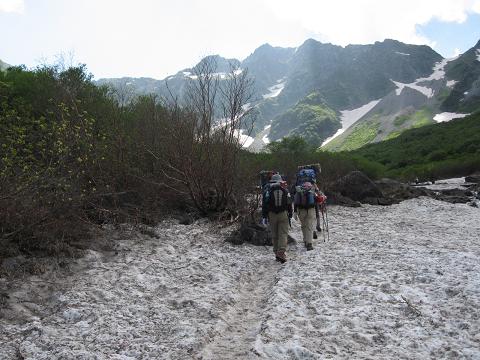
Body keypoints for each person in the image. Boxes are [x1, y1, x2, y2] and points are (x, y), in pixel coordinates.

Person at [262, 173, 292, 263]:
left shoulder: (268, 190)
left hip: (272, 214)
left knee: (274, 234)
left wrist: (264, 216)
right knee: (283, 233)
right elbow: (289, 203)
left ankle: (276, 253)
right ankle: (281, 252)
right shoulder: (285, 190)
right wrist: (290, 214)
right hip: (283, 214)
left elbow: (264, 204)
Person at [293, 181, 317, 251]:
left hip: (301, 211)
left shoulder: (299, 191)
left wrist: (295, 212)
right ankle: (309, 243)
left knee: (303, 225)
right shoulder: (312, 190)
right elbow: (316, 201)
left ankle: (305, 240)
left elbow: (295, 202)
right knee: (309, 226)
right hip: (310, 210)